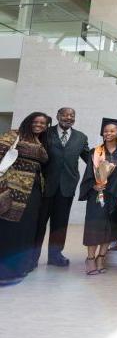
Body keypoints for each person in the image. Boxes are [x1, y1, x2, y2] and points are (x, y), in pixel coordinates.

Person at [33, 107, 89, 268]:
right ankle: (32, 257)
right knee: (39, 223)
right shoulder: (46, 133)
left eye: (72, 115)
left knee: (60, 224)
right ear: (58, 116)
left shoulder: (80, 137)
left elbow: (90, 159)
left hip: (67, 187)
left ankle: (55, 256)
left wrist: (107, 166)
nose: (68, 118)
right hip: (45, 186)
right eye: (65, 114)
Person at [0, 112, 50, 286]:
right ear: (28, 121)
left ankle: (19, 267)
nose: (39, 125)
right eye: (36, 121)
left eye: (43, 123)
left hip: (33, 192)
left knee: (26, 230)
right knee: (8, 229)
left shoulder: (41, 140)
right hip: (12, 189)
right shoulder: (14, 134)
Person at [78, 118, 117, 275]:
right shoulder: (95, 151)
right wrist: (93, 185)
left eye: (112, 131)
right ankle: (90, 258)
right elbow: (88, 174)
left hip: (115, 195)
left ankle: (101, 257)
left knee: (110, 227)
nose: (108, 133)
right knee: (94, 226)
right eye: (106, 131)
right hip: (97, 194)